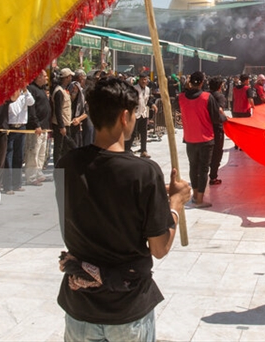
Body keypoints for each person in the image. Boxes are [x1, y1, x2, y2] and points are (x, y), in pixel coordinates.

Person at [55, 76, 191, 342]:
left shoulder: (66, 164)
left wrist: (151, 193)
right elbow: (159, 248)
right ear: (125, 116)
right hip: (126, 309)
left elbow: (95, 196)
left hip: (80, 308)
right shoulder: (144, 171)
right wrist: (174, 205)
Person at [178, 70, 224, 208]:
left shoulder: (181, 97)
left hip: (190, 138)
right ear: (203, 82)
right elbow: (216, 118)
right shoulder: (206, 97)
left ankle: (195, 194)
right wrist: (224, 118)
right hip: (206, 138)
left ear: (189, 82)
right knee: (204, 169)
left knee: (193, 166)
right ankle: (199, 199)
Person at [24, 69, 52, 186]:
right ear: (38, 77)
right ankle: (31, 177)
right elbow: (32, 110)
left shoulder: (42, 90)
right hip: (36, 128)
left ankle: (39, 173)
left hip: (44, 127)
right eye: (44, 76)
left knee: (41, 152)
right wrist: (36, 124)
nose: (46, 78)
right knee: (33, 153)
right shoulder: (32, 89)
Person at [5, 86, 34, 194]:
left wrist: (25, 91)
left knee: (19, 156)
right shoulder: (10, 94)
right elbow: (12, 108)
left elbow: (31, 102)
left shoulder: (24, 94)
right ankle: (8, 185)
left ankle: (17, 183)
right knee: (9, 156)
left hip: (21, 127)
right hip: (11, 126)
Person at [130, 72, 158, 158]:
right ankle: (127, 150)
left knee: (144, 133)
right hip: (135, 113)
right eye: (142, 79)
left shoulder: (147, 89)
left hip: (144, 113)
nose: (143, 81)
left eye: (145, 79)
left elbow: (148, 100)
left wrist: (152, 105)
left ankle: (143, 150)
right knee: (133, 133)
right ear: (139, 80)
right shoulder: (134, 89)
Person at [207, 76, 228, 185]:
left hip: (205, 127)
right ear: (220, 87)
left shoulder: (205, 95)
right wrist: (226, 119)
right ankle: (213, 177)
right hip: (217, 128)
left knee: (207, 152)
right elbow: (219, 110)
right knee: (217, 152)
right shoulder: (220, 96)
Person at [52, 68, 74, 166]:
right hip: (60, 125)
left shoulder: (65, 90)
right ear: (66, 78)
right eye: (70, 77)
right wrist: (61, 126)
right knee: (58, 147)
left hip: (66, 122)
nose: (71, 78)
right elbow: (58, 110)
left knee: (66, 147)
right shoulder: (59, 92)